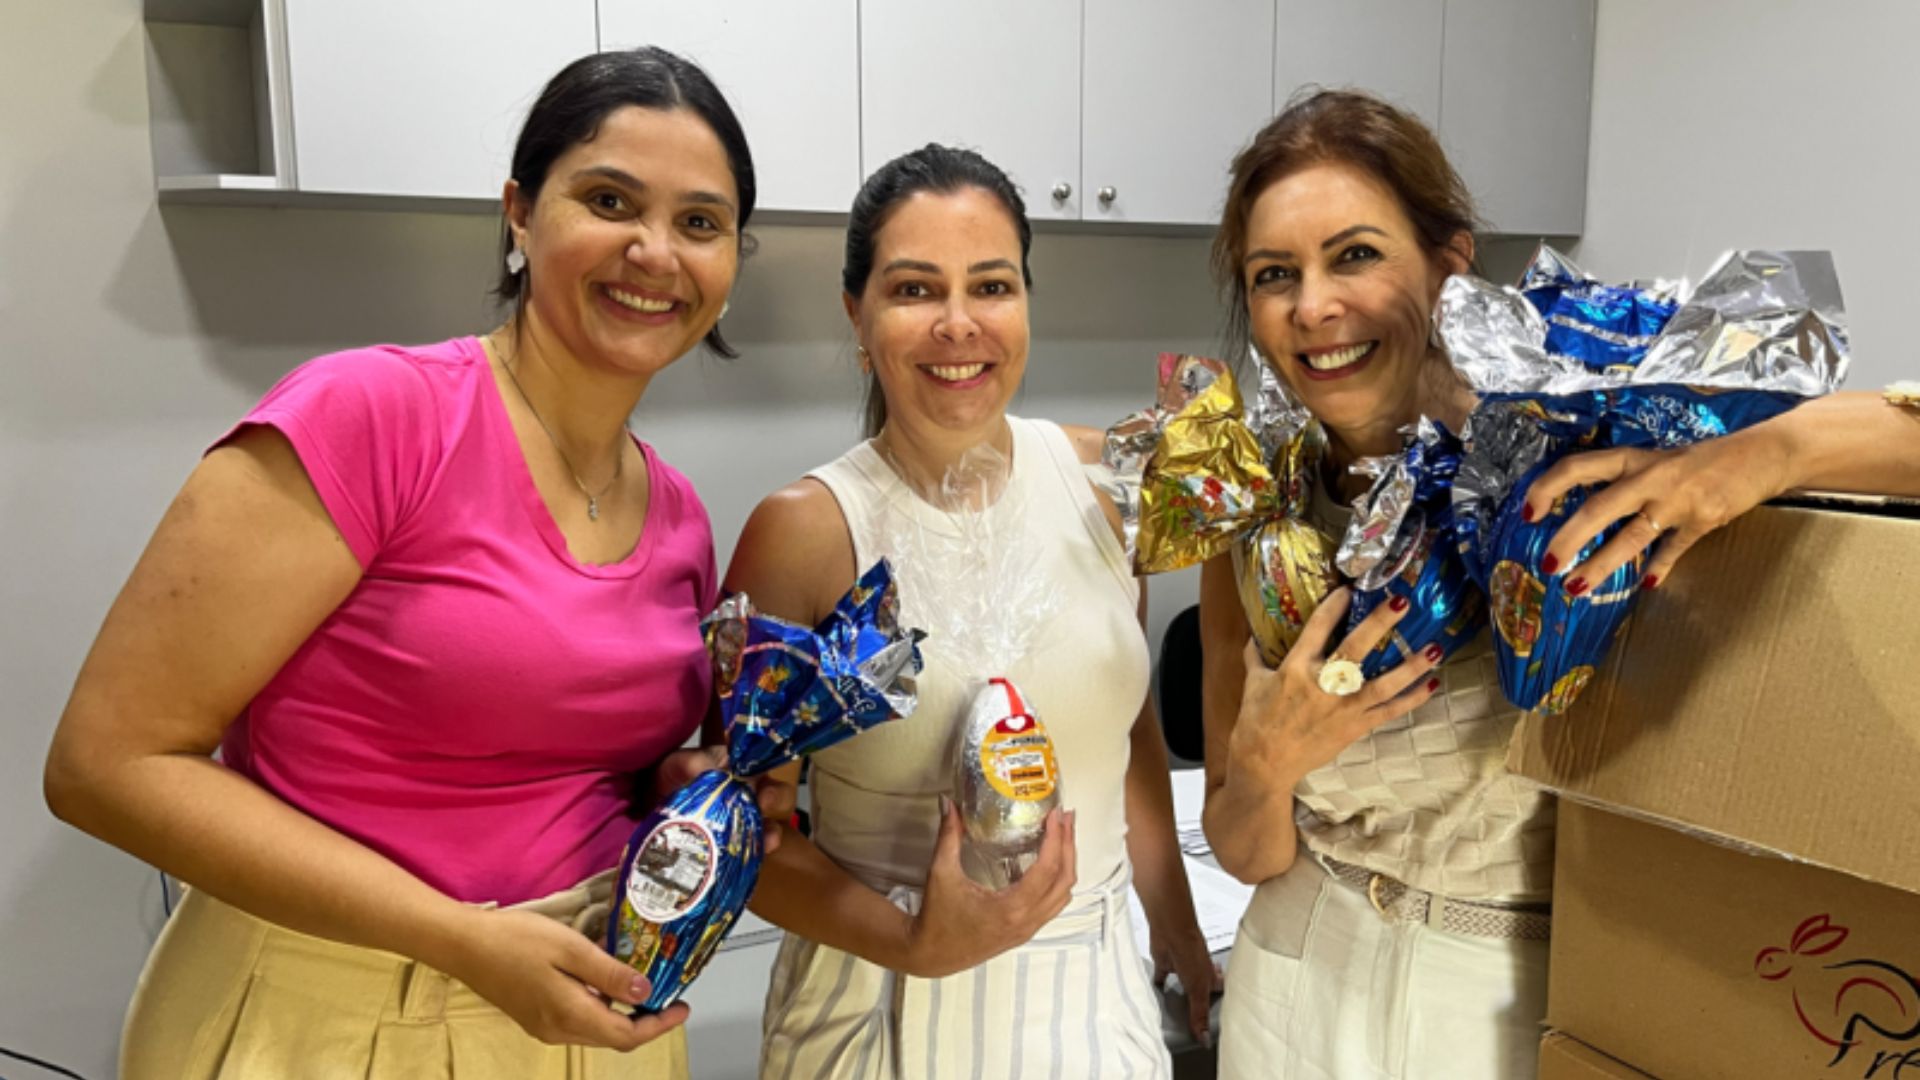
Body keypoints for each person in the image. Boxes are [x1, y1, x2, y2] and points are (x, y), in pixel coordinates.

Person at [43, 47, 790, 1080]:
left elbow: (568, 755)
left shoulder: (678, 516)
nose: (654, 252)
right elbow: (106, 767)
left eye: (700, 223)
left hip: (588, 1010)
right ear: (520, 214)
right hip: (328, 1018)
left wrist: (685, 789)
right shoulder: (373, 419)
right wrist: (462, 940)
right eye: (609, 200)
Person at [1200, 88, 1920, 1080]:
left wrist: (1767, 451)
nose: (1314, 307)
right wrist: (1267, 765)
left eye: (1355, 254)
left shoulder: (1571, 434)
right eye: (1274, 273)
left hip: (1516, 993)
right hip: (1294, 977)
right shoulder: (1253, 516)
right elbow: (1244, 848)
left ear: (1449, 265)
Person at [725, 144, 1220, 1079]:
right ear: (857, 314)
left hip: (1092, 996)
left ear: (1026, 300)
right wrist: (916, 944)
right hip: (884, 1000)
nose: (958, 324)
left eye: (990, 286)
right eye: (915, 290)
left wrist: (1177, 928)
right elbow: (741, 830)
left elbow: (1127, 734)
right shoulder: (805, 534)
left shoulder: (1105, 485)